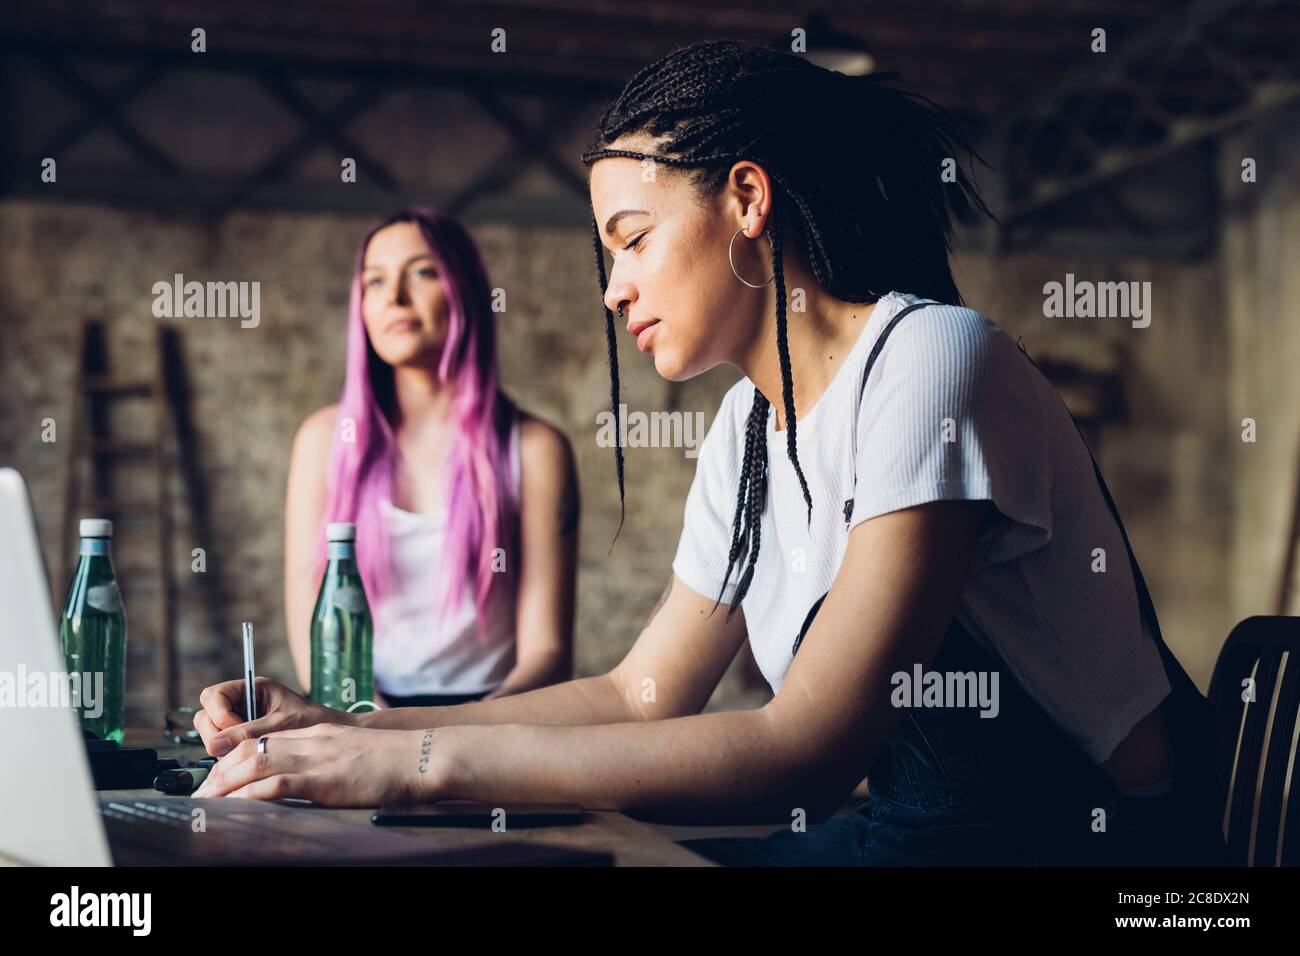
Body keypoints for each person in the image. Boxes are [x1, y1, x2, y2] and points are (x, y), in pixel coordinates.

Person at [193, 43, 1225, 867]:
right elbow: (637, 691)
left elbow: (805, 751)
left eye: (632, 238)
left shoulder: (930, 359)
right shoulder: (746, 430)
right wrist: (358, 729)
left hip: (1093, 851)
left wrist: (418, 767)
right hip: (921, 833)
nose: (612, 287)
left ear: (745, 198)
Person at [282, 208, 578, 708]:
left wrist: (464, 739)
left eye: (421, 272)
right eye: (374, 281)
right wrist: (376, 725)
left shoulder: (535, 450)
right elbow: (311, 628)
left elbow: (547, 651)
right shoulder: (323, 440)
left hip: (495, 718)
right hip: (360, 713)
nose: (394, 297)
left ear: (464, 290)